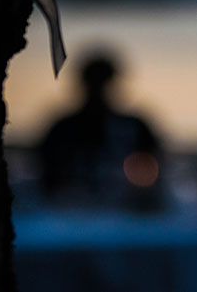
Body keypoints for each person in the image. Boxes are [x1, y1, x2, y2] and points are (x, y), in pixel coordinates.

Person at [37, 51, 166, 210]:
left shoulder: (135, 127)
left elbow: (154, 174)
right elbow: (47, 177)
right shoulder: (62, 129)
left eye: (103, 83)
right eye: (95, 83)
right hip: (71, 215)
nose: (100, 90)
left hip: (123, 215)